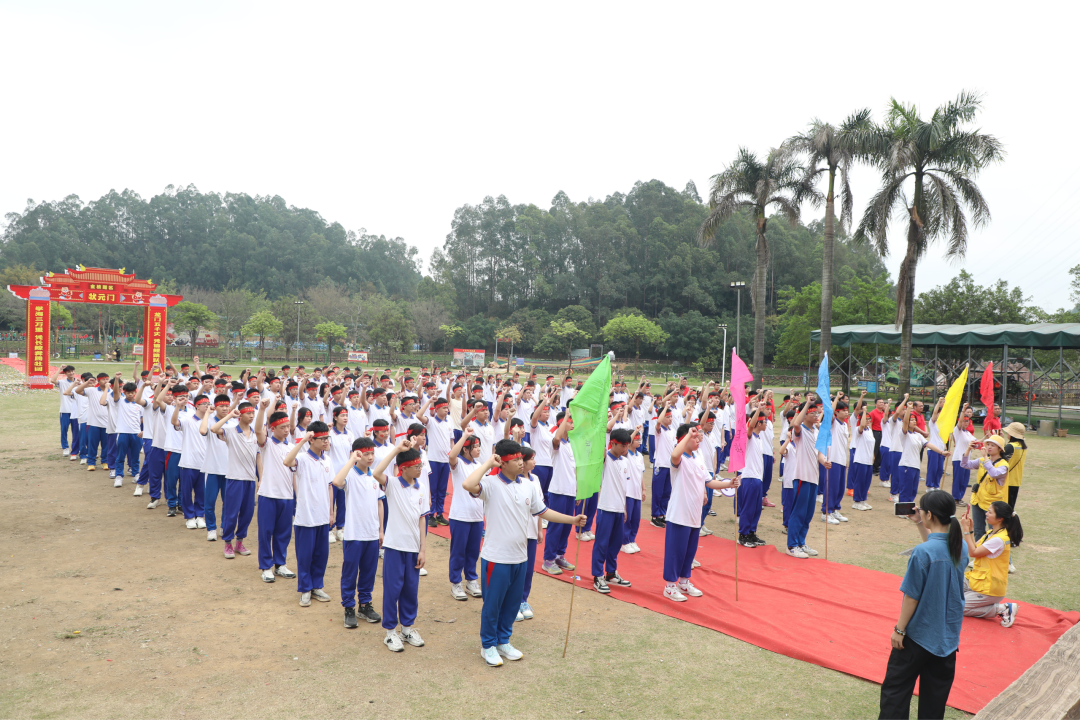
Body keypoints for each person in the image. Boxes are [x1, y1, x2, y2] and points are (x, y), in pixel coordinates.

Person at [461, 439, 587, 666]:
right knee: (492, 605)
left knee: (511, 604)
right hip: (496, 558)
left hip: (520, 557)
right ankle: (488, 645)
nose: (521, 462)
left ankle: (503, 641)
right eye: (516, 459)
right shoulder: (490, 484)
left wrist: (573, 520)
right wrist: (489, 463)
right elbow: (468, 485)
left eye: (521, 458)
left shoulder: (528, 485)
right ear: (503, 462)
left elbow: (544, 512)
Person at [879, 489, 967, 720]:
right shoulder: (961, 546)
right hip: (947, 638)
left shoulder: (922, 553)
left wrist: (899, 629)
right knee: (934, 700)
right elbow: (935, 548)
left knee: (896, 691)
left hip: (918, 635)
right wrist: (921, 524)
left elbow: (911, 596)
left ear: (929, 514)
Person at [664, 423, 740, 601]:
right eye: (694, 437)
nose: (698, 440)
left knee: (689, 552)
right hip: (679, 514)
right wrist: (686, 435)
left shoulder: (698, 457)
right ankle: (669, 586)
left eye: (699, 436)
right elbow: (674, 454)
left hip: (694, 513)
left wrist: (728, 484)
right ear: (684, 439)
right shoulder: (679, 459)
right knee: (675, 551)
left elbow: (709, 481)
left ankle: (683, 581)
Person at [372, 439, 429, 653]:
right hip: (395, 546)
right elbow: (377, 472)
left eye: (421, 465)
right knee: (392, 589)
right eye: (416, 466)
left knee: (410, 590)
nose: (420, 469)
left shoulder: (421, 488)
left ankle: (407, 628)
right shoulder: (393, 485)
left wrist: (422, 549)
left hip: (413, 548)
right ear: (403, 468)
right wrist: (397, 449)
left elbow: (423, 519)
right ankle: (390, 632)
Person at [285, 422, 334, 607]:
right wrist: (302, 441)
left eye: (327, 438)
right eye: (322, 439)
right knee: (305, 555)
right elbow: (287, 462)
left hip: (322, 515)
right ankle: (305, 589)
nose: (326, 442)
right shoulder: (303, 458)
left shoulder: (327, 460)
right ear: (312, 439)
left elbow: (330, 487)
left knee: (321, 554)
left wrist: (331, 512)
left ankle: (316, 585)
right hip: (306, 517)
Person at [210, 401, 261, 560]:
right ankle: (228, 543)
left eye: (253, 413)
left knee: (247, 513)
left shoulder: (255, 434)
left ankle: (240, 542)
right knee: (231, 513)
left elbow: (258, 457)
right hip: (234, 479)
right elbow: (213, 429)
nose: (251, 416)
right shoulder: (231, 432)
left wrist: (261, 478)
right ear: (241, 415)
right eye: (248, 413)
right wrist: (230, 415)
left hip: (249, 480)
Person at [959, 501, 1021, 627]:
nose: (986, 514)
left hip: (988, 588)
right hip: (977, 581)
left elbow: (973, 552)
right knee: (949, 590)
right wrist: (970, 529)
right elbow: (975, 547)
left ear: (1000, 518)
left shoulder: (999, 539)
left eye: (990, 512)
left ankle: (1001, 608)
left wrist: (965, 530)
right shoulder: (991, 533)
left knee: (957, 607)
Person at [255, 407, 297, 584]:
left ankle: (280, 564)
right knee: (266, 532)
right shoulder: (267, 445)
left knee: (284, 533)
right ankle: (266, 567)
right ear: (273, 428)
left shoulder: (292, 447)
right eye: (283, 427)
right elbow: (258, 430)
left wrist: (298, 496)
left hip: (287, 497)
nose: (287, 430)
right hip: (268, 495)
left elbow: (295, 473)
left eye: (288, 426)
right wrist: (263, 409)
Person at [591, 427, 633, 593]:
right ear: (612, 444)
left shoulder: (625, 461)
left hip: (618, 509)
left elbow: (624, 487)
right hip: (605, 508)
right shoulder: (605, 459)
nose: (625, 449)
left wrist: (624, 508)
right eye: (622, 446)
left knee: (615, 544)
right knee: (602, 543)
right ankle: (597, 575)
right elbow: (600, 447)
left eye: (627, 446)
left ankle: (611, 572)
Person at [446, 428, 485, 601]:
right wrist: (465, 436)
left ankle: (471, 580)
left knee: (473, 551)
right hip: (460, 516)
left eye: (479, 446)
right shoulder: (458, 464)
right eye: (475, 447)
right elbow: (451, 455)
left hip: (477, 516)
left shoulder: (479, 466)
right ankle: (456, 583)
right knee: (458, 551)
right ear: (466, 449)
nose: (478, 449)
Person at [959, 435, 1010, 542]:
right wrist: (968, 449)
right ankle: (979, 553)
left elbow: (993, 473)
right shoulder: (982, 460)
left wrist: (986, 458)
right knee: (978, 530)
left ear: (1000, 449)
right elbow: (964, 464)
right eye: (988, 445)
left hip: (994, 505)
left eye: (993, 445)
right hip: (977, 500)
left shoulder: (1003, 465)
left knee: (995, 532)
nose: (989, 447)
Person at [621, 428, 646, 553]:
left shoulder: (640, 455)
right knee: (628, 517)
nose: (639, 442)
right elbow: (627, 441)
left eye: (640, 439)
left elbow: (641, 474)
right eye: (637, 439)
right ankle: (624, 541)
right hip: (628, 491)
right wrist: (634, 432)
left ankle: (632, 539)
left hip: (637, 492)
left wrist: (644, 489)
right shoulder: (626, 454)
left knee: (636, 518)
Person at [850, 404, 875, 510]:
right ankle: (857, 501)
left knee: (867, 481)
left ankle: (863, 500)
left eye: (869, 419)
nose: (868, 421)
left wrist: (873, 455)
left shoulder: (869, 430)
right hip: (861, 459)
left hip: (869, 460)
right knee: (859, 481)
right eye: (866, 419)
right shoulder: (858, 430)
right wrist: (864, 411)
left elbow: (871, 444)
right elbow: (862, 424)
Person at [950, 405, 976, 505]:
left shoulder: (968, 433)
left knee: (965, 480)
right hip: (959, 459)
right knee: (958, 479)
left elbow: (976, 441)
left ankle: (960, 497)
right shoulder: (958, 431)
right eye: (964, 421)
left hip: (967, 460)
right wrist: (963, 410)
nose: (966, 422)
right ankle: (955, 498)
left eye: (967, 421)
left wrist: (987, 438)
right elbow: (960, 422)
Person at [1002, 422, 1027, 510]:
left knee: (1003, 509)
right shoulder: (1023, 446)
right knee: (1010, 508)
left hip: (1007, 480)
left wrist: (999, 441)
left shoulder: (1011, 446)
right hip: (1016, 480)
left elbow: (999, 458)